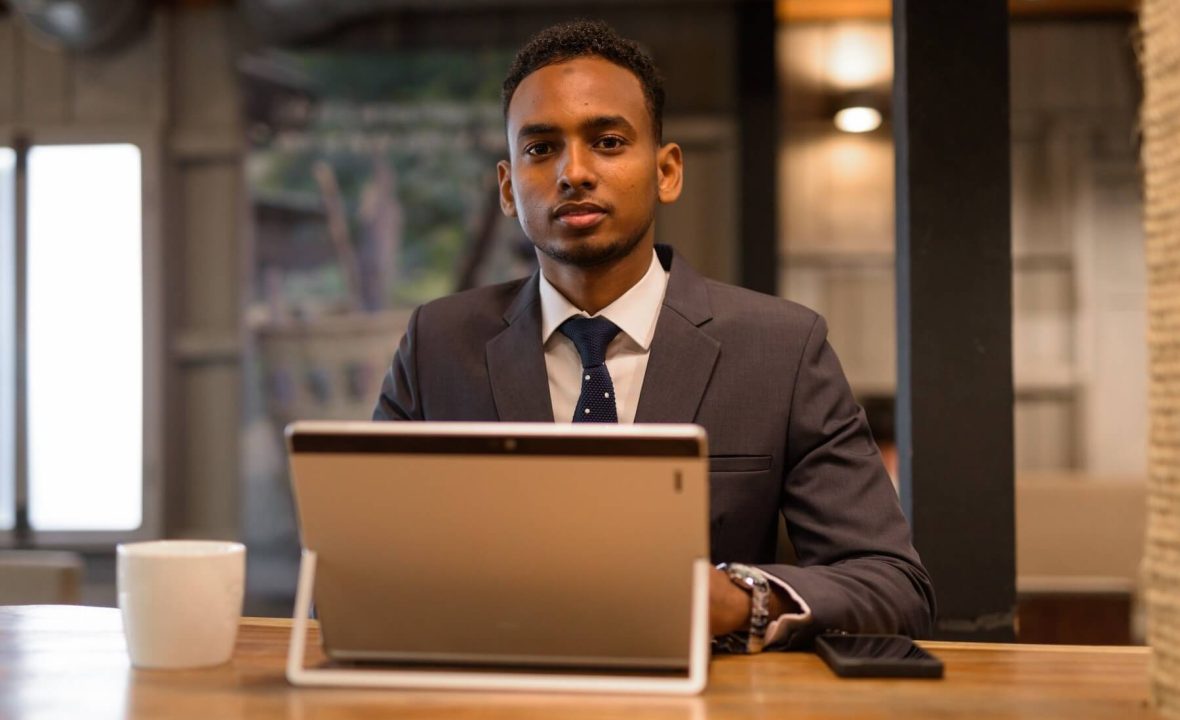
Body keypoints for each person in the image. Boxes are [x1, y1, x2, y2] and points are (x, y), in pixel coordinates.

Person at [373, 19, 935, 651]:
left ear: (667, 171)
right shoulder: (437, 345)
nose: (574, 172)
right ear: (508, 188)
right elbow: (351, 573)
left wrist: (741, 597)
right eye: (540, 149)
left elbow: (892, 583)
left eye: (608, 141)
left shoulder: (782, 350)